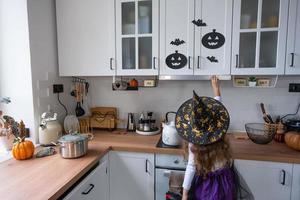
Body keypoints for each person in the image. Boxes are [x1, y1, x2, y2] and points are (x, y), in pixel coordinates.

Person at [175, 76, 236, 200]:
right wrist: (216, 89)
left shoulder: (194, 143)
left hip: (207, 185)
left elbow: (191, 168)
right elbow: (219, 107)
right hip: (224, 180)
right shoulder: (219, 131)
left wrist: (185, 194)